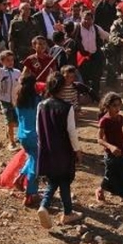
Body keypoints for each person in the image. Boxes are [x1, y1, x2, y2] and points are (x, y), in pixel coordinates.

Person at [36, 72, 84, 228]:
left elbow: (38, 130)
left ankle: (47, 207)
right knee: (63, 180)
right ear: (63, 88)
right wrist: (77, 150)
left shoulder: (41, 105)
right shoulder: (67, 108)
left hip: (47, 149)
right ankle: (65, 212)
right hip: (63, 150)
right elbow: (72, 132)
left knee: (54, 180)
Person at [96, 92, 123, 211]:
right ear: (107, 106)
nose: (117, 108)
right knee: (110, 176)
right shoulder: (104, 120)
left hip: (122, 151)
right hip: (111, 154)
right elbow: (99, 139)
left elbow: (119, 134)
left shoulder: (120, 118)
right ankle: (100, 190)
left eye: (119, 105)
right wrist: (110, 147)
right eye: (114, 105)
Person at [14, 73, 41, 207]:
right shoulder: (37, 100)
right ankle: (30, 194)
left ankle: (20, 178)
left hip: (22, 135)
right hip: (34, 136)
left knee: (32, 158)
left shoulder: (19, 99)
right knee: (35, 166)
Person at [75, 11, 109, 95]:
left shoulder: (96, 28)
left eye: (89, 19)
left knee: (96, 77)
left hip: (95, 56)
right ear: (81, 19)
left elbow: (106, 36)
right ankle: (85, 95)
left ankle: (95, 95)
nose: (87, 21)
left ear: (92, 20)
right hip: (82, 58)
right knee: (84, 78)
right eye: (85, 19)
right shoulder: (76, 28)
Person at [0, 51, 22, 150]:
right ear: (2, 61)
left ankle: (15, 135)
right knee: (10, 122)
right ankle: (11, 142)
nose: (11, 62)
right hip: (5, 100)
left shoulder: (17, 72)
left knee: (18, 121)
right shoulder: (0, 72)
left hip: (15, 100)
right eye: (8, 60)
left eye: (12, 60)